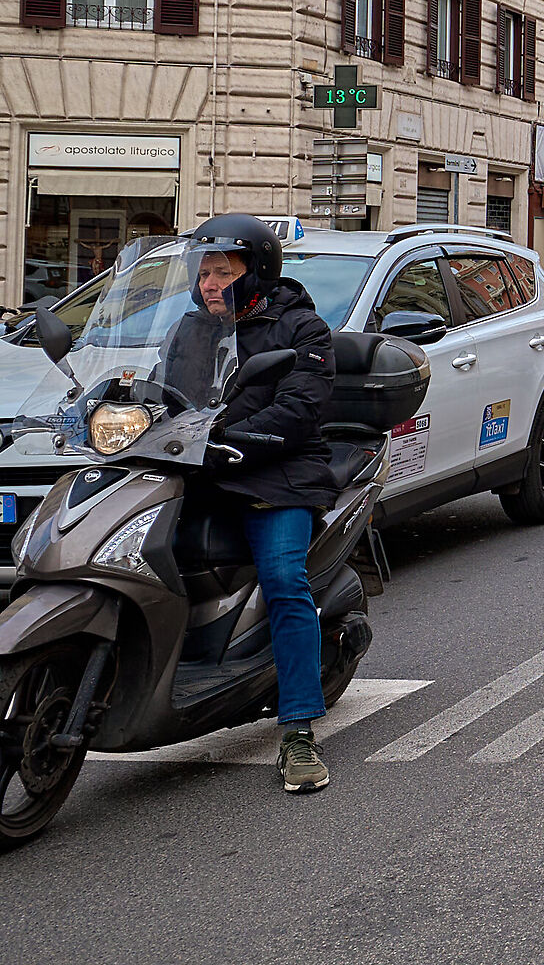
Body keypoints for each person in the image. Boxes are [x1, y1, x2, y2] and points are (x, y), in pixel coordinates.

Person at [162, 214, 339, 795]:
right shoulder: (188, 330)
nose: (210, 283)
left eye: (223, 272)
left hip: (276, 474)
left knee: (285, 579)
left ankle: (298, 733)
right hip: (199, 470)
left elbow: (298, 411)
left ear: (256, 271)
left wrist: (228, 441)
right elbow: (158, 394)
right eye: (203, 272)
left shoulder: (302, 330)